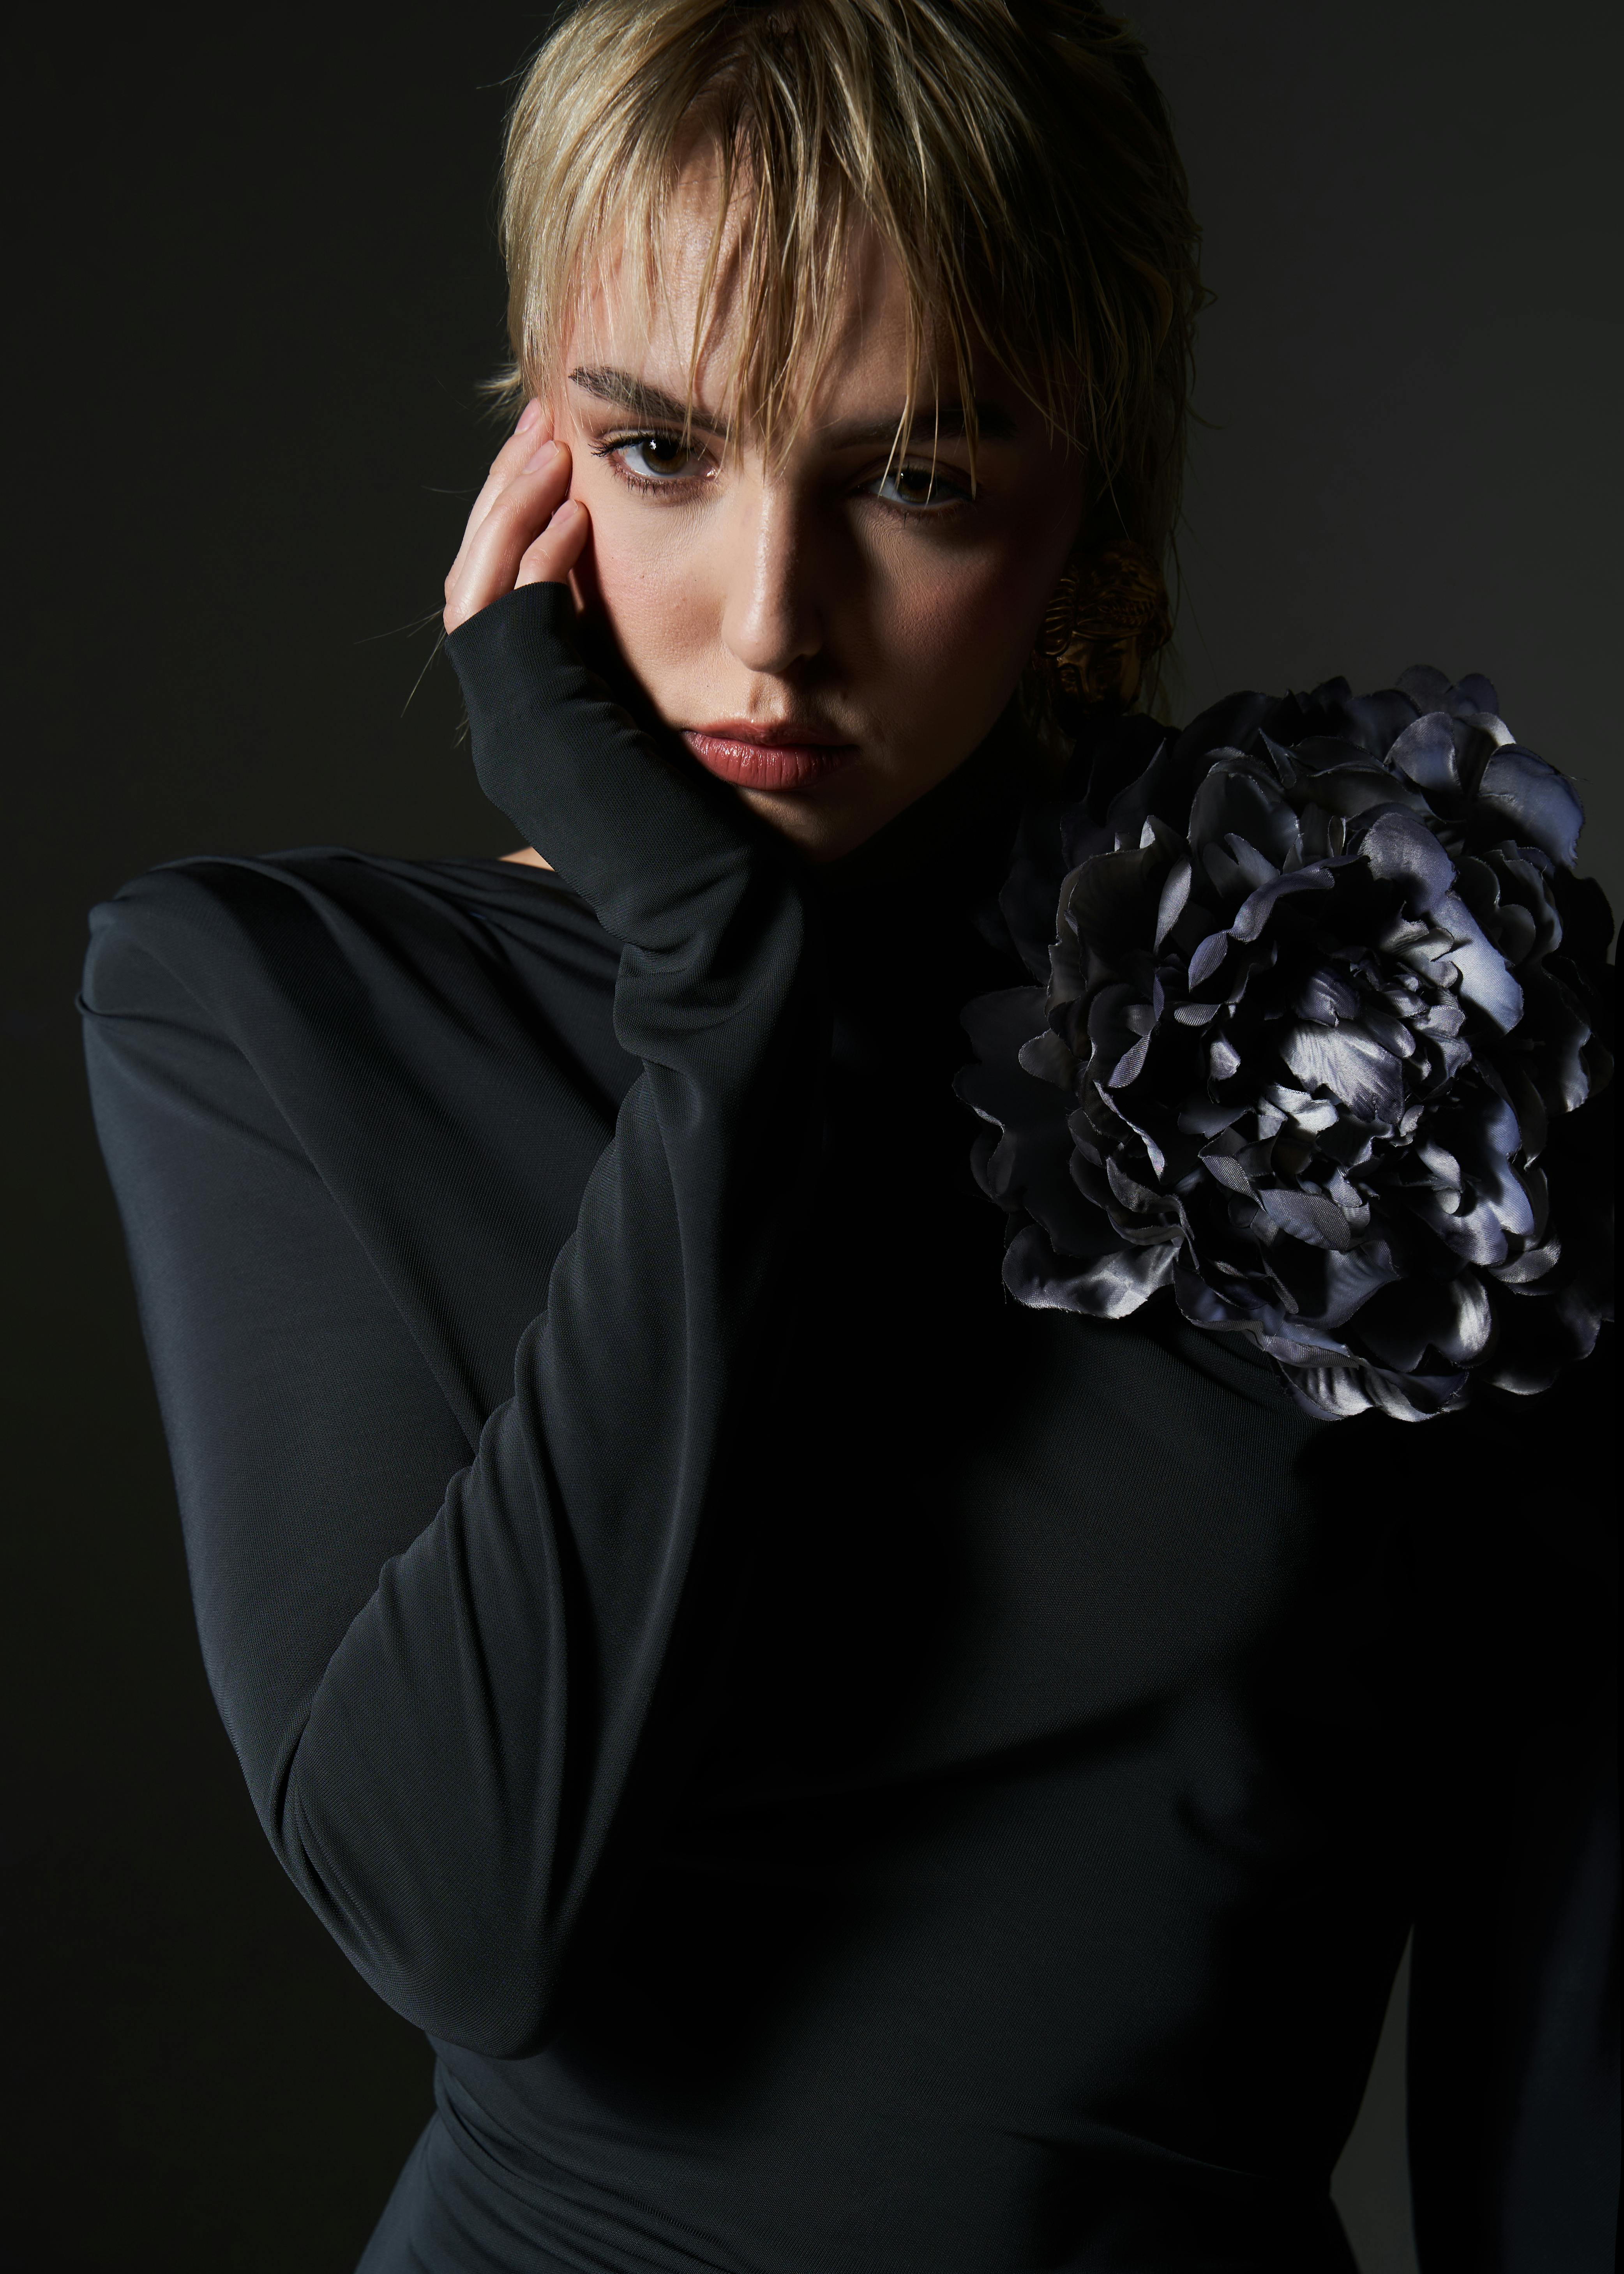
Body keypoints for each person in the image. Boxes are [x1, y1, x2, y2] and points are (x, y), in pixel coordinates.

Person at [81, 3, 1616, 2268]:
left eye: (915, 478)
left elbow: (1566, 1970)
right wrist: (721, 1011)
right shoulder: (276, 1016)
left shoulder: (1398, 1022)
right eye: (664, 449)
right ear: (539, 444)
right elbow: (454, 1918)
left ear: (1092, 481)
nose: (767, 627)